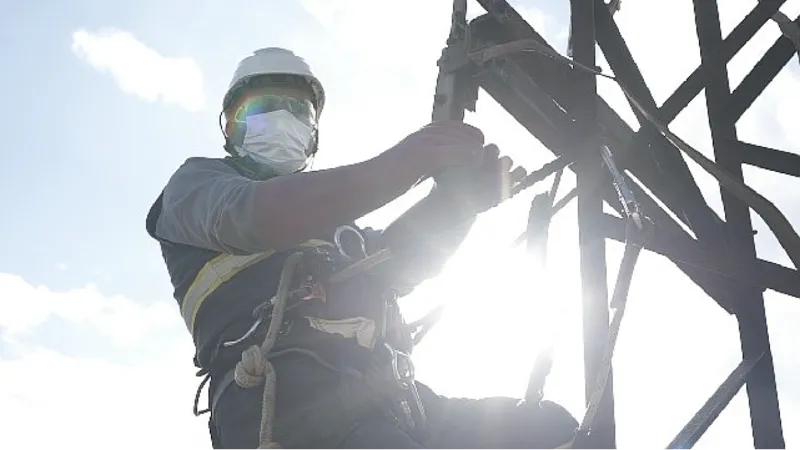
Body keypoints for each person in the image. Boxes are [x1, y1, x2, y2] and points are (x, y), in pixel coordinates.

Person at [146, 47, 578, 450]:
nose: (279, 120)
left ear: (312, 135)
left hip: (389, 396)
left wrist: (456, 204)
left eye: (297, 109)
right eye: (260, 109)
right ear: (230, 127)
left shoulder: (340, 229)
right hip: (289, 401)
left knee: (550, 430)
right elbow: (261, 216)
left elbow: (397, 264)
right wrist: (408, 160)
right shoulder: (196, 188)